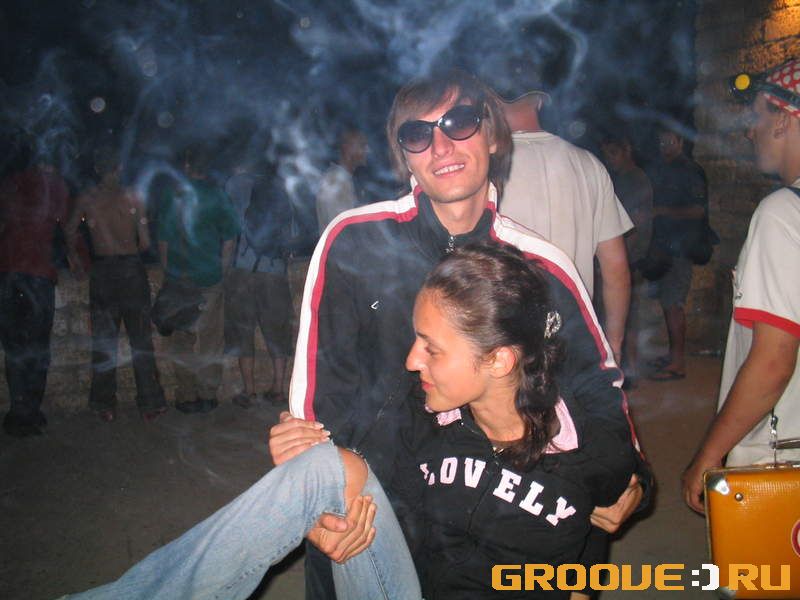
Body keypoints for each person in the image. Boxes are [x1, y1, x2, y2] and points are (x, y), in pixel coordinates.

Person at [65, 243, 639, 600]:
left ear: (499, 360)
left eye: (432, 348)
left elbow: (588, 563)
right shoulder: (427, 418)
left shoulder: (587, 446)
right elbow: (368, 490)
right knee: (326, 467)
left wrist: (634, 489)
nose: (411, 360)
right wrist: (326, 520)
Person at [289, 68, 648, 598]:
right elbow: (316, 400)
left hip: (486, 521)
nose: (440, 146)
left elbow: (595, 385)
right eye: (417, 134)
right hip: (367, 509)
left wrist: (630, 475)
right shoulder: (353, 242)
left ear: (493, 135)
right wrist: (318, 500)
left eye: (459, 123)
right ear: (403, 155)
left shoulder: (540, 266)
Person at [682, 59, 800, 513]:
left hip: (782, 457)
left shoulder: (783, 213)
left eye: (756, 117)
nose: (750, 132)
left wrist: (710, 454)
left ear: (783, 119)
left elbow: (773, 361)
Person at [496, 89, 633, 364]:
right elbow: (616, 269)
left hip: (506, 347)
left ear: (489, 100)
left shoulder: (483, 167)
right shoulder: (589, 164)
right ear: (540, 100)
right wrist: (614, 344)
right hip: (575, 339)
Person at [64, 149, 167, 422]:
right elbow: (145, 242)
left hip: (102, 271)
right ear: (119, 168)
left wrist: (75, 259)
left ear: (98, 169)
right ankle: (150, 403)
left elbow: (69, 230)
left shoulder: (88, 198)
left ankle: (103, 404)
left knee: (104, 341)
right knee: (141, 339)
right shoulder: (133, 196)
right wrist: (128, 246)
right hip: (131, 270)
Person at [157, 146, 239, 413]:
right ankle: (207, 395)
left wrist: (169, 272)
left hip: (179, 278)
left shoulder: (173, 195)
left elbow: (163, 240)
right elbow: (230, 239)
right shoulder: (217, 196)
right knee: (210, 340)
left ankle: (186, 395)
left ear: (187, 166)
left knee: (181, 341)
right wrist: (222, 270)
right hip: (209, 278)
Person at [0, 143, 70, 437]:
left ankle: (19, 411)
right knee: (38, 347)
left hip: (8, 273)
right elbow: (66, 226)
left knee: (15, 347)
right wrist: (81, 260)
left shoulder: (11, 183)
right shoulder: (56, 185)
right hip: (38, 274)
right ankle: (29, 411)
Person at [224, 158, 294, 408]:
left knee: (243, 331)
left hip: (242, 270)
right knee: (278, 330)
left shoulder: (234, 185)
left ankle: (249, 390)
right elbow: (291, 234)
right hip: (273, 270)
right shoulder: (280, 189)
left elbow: (228, 227)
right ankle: (278, 388)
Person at [647, 127, 708, 381]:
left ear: (680, 141)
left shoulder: (690, 170)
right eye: (661, 140)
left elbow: (698, 211)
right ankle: (673, 356)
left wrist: (661, 211)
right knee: (668, 302)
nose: (664, 145)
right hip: (666, 248)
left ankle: (678, 363)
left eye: (668, 140)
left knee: (674, 305)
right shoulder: (665, 169)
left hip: (681, 248)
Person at [601, 134, 654, 386]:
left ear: (627, 150)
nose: (610, 159)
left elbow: (635, 224)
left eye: (613, 153)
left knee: (629, 316)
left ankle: (630, 370)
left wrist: (620, 256)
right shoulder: (620, 179)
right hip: (626, 256)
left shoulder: (636, 180)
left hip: (632, 257)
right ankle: (627, 368)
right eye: (607, 155)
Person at [315, 127, 368, 233]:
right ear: (348, 148)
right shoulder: (335, 181)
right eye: (361, 145)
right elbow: (340, 227)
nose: (367, 150)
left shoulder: (344, 180)